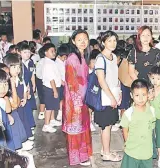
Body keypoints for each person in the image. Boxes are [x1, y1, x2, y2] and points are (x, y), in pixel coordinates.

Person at [63, 29, 92, 166]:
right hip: (74, 102)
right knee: (75, 130)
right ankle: (76, 158)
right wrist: (77, 103)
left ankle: (83, 155)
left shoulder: (82, 56)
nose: (83, 42)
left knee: (82, 128)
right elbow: (71, 83)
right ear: (73, 41)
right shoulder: (72, 59)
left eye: (85, 39)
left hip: (83, 99)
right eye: (79, 39)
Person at [94, 31, 122, 162]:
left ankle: (104, 149)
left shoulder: (114, 57)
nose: (113, 43)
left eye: (114, 40)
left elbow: (115, 77)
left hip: (113, 94)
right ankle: (106, 153)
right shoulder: (100, 58)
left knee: (107, 125)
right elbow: (101, 80)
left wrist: (119, 92)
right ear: (103, 42)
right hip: (105, 97)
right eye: (109, 41)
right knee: (106, 126)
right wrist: (111, 97)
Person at [120, 79, 156, 168]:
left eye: (143, 95)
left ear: (148, 94)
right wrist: (127, 144)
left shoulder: (151, 111)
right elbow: (125, 131)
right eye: (137, 95)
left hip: (147, 152)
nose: (140, 99)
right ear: (131, 95)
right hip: (132, 151)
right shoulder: (128, 114)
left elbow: (151, 129)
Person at [3, 55, 35, 151]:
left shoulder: (19, 79)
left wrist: (25, 98)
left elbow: (25, 89)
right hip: (14, 106)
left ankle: (25, 138)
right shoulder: (7, 82)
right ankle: (20, 143)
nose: (17, 70)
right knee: (17, 124)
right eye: (14, 67)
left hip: (21, 104)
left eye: (18, 67)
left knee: (24, 121)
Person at [40, 43, 62, 133]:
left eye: (54, 51)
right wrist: (55, 91)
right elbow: (51, 79)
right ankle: (46, 125)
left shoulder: (50, 62)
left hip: (52, 87)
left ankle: (52, 120)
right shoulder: (48, 64)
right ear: (46, 53)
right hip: (50, 88)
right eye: (51, 51)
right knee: (49, 107)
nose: (54, 53)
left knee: (52, 105)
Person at [18, 43, 37, 134]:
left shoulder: (31, 62)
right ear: (19, 53)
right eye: (25, 52)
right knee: (24, 107)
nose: (27, 54)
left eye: (29, 52)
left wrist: (34, 85)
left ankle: (30, 124)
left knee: (30, 106)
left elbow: (32, 74)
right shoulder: (18, 64)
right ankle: (26, 127)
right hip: (22, 87)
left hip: (29, 85)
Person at [87, 49, 100, 132]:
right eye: (93, 62)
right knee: (89, 109)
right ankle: (89, 123)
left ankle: (94, 120)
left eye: (96, 62)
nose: (95, 64)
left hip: (96, 92)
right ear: (89, 64)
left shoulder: (98, 72)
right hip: (89, 93)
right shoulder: (87, 72)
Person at [55, 44, 69, 121]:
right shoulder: (56, 63)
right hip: (60, 84)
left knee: (64, 99)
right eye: (64, 57)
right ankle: (59, 114)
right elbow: (56, 75)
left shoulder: (64, 61)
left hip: (66, 83)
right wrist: (62, 82)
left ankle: (63, 112)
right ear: (59, 55)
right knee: (61, 99)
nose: (65, 58)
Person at [36, 48, 45, 120]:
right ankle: (41, 112)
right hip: (42, 81)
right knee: (43, 97)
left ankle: (42, 112)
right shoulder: (44, 62)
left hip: (40, 80)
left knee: (42, 97)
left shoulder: (40, 62)